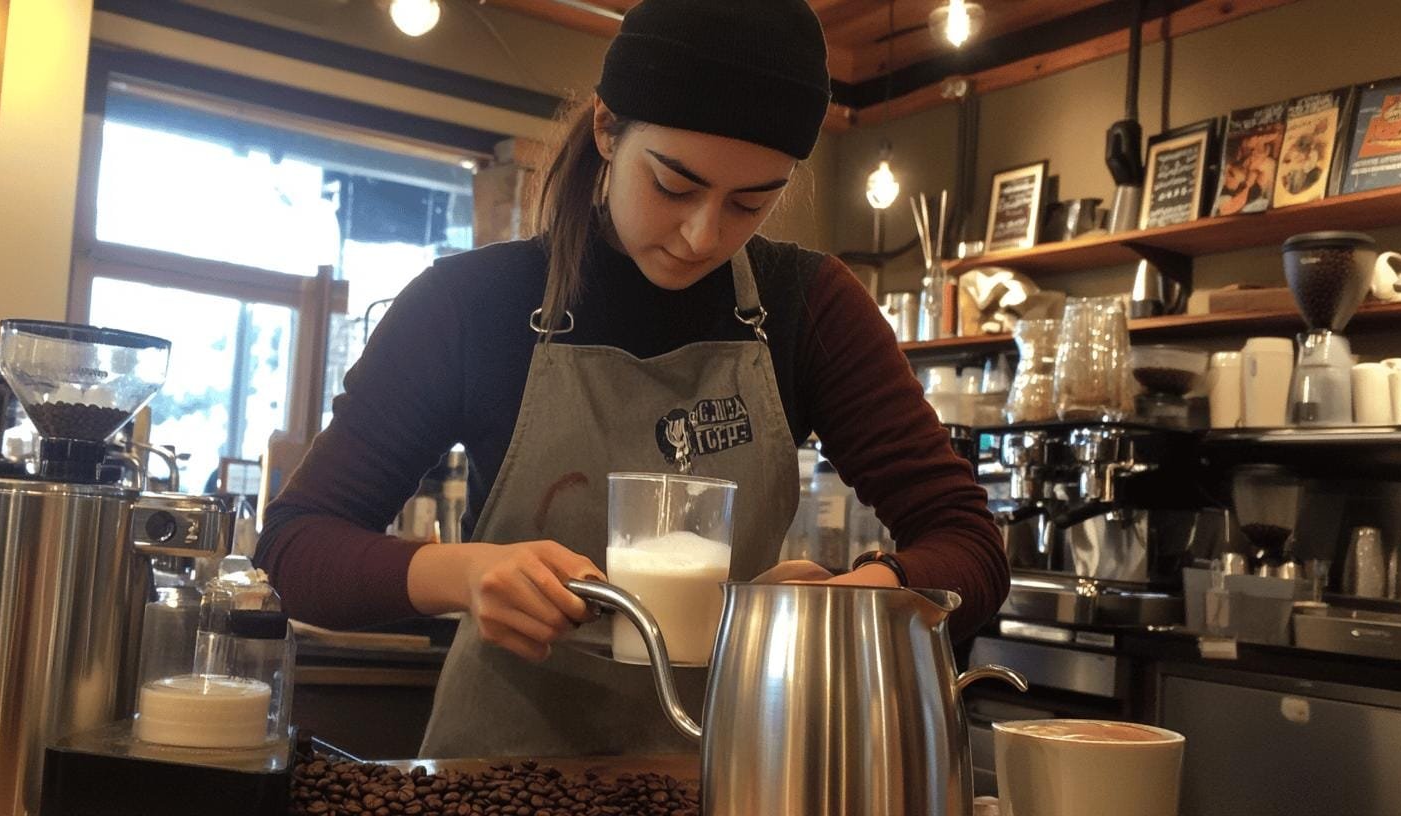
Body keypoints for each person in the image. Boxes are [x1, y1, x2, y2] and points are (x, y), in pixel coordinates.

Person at [256, 0, 1008, 758]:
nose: (702, 235)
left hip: (731, 776)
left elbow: (970, 545)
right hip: (501, 776)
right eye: (674, 186)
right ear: (607, 128)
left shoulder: (808, 308)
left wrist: (849, 605)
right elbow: (295, 550)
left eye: (752, 202)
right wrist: (462, 574)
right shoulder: (468, 305)